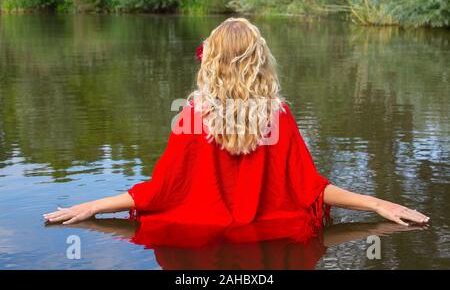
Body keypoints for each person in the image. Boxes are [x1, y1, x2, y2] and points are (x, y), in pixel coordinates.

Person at [43, 18, 429, 238]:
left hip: (200, 240)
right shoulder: (278, 117)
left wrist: (93, 208)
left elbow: (160, 192)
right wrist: (378, 208)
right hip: (272, 237)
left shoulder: (193, 116)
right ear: (261, 60)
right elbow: (312, 189)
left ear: (209, 62)